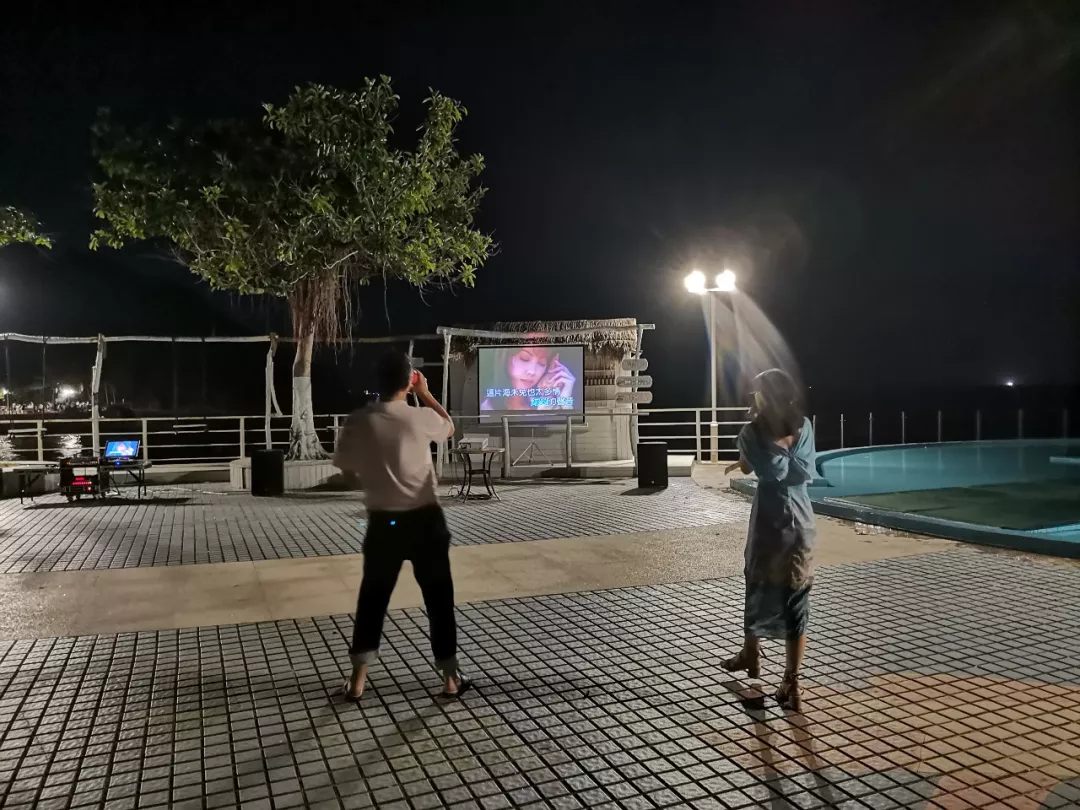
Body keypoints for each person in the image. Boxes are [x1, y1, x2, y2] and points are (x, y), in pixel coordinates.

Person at [333, 351, 470, 701]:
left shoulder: (359, 421)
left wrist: (375, 479)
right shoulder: (419, 417)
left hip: (383, 522)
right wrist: (425, 393)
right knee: (439, 600)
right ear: (409, 381)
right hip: (425, 520)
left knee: (373, 599)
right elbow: (449, 427)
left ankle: (357, 680)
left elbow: (347, 471)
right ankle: (450, 679)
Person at [722, 368, 816, 711]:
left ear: (764, 397)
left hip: (770, 523)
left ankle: (752, 653)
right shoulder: (804, 426)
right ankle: (791, 682)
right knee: (796, 597)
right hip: (802, 522)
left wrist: (742, 459)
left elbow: (754, 468)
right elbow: (793, 467)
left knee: (757, 582)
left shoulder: (752, 432)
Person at [479, 345, 577, 411]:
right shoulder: (486, 408)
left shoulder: (550, 403)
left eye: (541, 363)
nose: (532, 371)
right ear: (505, 358)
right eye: (524, 359)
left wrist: (565, 402)